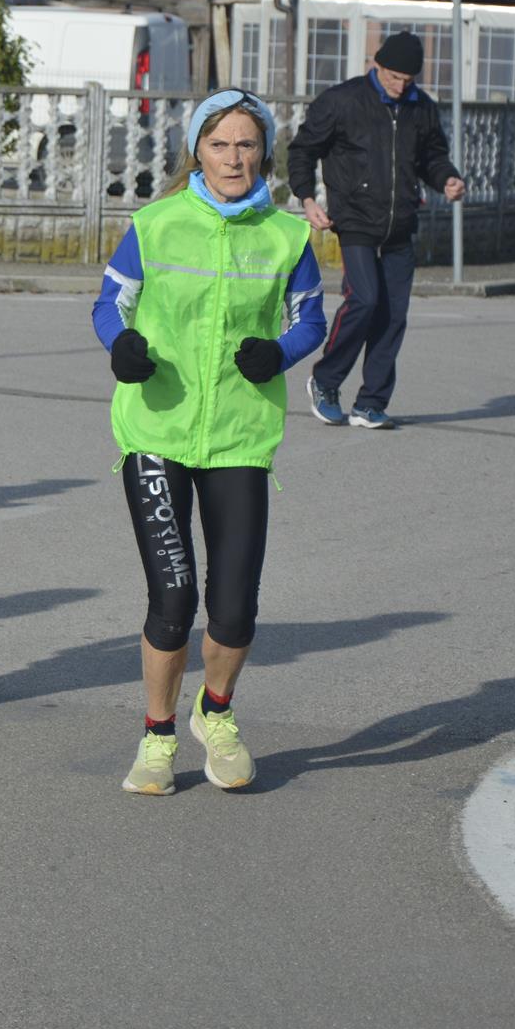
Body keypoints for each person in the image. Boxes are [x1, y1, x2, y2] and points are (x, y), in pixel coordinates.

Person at [94, 90, 326, 794]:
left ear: (264, 153)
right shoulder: (155, 224)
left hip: (239, 436)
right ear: (197, 151)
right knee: (173, 598)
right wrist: (121, 346)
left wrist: (279, 353)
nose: (233, 158)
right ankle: (157, 738)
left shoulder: (287, 236)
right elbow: (110, 303)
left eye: (246, 144)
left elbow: (311, 321)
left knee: (234, 606)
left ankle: (215, 712)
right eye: (220, 144)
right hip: (156, 430)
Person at [288, 31, 465, 429]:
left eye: (408, 79)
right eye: (393, 77)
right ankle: (325, 380)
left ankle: (370, 403)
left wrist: (448, 179)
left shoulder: (421, 108)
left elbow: (433, 157)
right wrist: (308, 199)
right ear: (377, 65)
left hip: (400, 224)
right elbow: (303, 150)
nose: (400, 86)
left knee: (393, 314)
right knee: (364, 300)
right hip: (354, 220)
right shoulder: (342, 101)